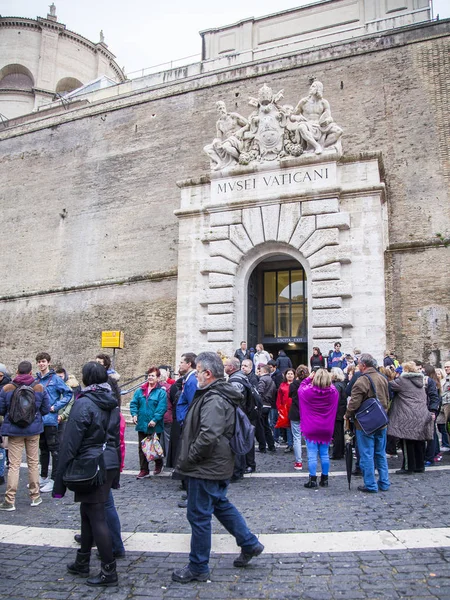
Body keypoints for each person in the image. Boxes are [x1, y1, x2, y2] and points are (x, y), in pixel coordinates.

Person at [172, 351, 263, 583]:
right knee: (220, 504)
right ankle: (249, 543)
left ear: (208, 373)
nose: (196, 377)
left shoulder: (213, 398)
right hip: (216, 464)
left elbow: (208, 435)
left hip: (206, 466)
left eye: (198, 372)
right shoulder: (216, 394)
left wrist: (190, 458)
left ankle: (198, 566)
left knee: (199, 516)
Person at [53, 361, 121, 587]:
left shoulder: (84, 404)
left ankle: (109, 572)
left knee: (97, 515)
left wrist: (59, 478)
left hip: (91, 465)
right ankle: (82, 561)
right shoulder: (112, 401)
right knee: (88, 511)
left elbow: (71, 442)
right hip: (108, 461)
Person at [0, 360, 50, 511]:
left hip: (14, 431)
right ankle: (35, 496)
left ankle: (10, 500)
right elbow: (46, 408)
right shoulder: (39, 387)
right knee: (33, 463)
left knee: (14, 465)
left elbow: (1, 409)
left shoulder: (7, 388)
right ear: (30, 372)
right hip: (33, 430)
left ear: (17, 372)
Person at [346, 354, 390, 493]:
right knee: (380, 453)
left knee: (366, 454)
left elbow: (354, 403)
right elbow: (387, 399)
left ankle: (370, 484)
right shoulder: (383, 378)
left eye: (359, 364)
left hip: (365, 424)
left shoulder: (362, 381)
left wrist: (347, 415)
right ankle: (384, 482)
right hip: (381, 421)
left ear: (363, 365)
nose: (358, 366)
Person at [35, 352, 72, 493]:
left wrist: (56, 407)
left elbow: (68, 393)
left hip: (50, 419)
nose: (41, 364)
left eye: (43, 361)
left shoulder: (55, 379)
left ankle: (54, 478)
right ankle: (43, 476)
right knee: (43, 449)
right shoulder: (36, 380)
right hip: (39, 420)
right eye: (39, 361)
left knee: (54, 450)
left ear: (48, 363)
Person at [388, 361, 433, 474]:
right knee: (418, 442)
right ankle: (419, 466)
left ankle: (408, 467)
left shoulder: (403, 381)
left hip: (407, 415)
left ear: (406, 370)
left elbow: (389, 385)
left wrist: (393, 374)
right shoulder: (420, 381)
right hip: (421, 414)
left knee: (406, 442)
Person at [298, 369, 338, 488]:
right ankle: (324, 479)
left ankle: (312, 479)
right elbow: (333, 388)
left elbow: (300, 388)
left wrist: (308, 378)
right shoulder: (333, 392)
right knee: (324, 453)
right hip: (326, 427)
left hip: (311, 426)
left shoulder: (308, 392)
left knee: (312, 454)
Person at [130, 366, 167, 479]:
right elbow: (134, 403)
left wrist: (155, 419)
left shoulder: (161, 392)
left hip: (154, 425)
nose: (150, 377)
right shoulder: (139, 391)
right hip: (142, 423)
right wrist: (134, 414)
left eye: (153, 376)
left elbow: (161, 407)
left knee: (154, 446)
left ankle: (158, 463)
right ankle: (144, 469)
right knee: (142, 447)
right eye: (149, 375)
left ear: (158, 378)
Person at [290, 80, 343, 154]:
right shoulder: (303, 102)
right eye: (311, 86)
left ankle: (322, 146)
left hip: (320, 126)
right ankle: (316, 146)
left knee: (339, 131)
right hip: (308, 124)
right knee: (301, 127)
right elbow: (291, 116)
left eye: (313, 86)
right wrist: (297, 118)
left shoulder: (324, 102)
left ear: (318, 89)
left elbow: (330, 117)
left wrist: (326, 121)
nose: (310, 88)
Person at [224, 357, 256, 479]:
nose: (224, 367)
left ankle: (237, 471)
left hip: (237, 414)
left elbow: (234, 399)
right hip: (242, 413)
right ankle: (240, 468)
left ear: (231, 367)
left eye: (225, 365)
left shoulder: (235, 381)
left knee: (236, 441)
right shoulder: (241, 377)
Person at [203, 101, 248, 171]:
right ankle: (219, 163)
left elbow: (249, 124)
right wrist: (216, 141)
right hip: (228, 140)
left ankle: (241, 158)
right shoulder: (218, 123)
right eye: (220, 109)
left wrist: (240, 131)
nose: (222, 110)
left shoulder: (233, 116)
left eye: (223, 108)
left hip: (238, 139)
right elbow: (219, 137)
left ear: (225, 108)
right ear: (217, 111)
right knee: (207, 148)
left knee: (225, 147)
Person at [288, 365, 309, 471]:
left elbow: (290, 395)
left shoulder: (294, 384)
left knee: (296, 438)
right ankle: (311, 460)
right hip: (307, 413)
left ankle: (299, 462)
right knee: (308, 438)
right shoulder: (310, 384)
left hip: (296, 412)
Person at [275, 369, 295, 453]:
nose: (290, 375)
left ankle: (294, 443)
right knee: (288, 427)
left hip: (295, 408)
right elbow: (279, 398)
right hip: (285, 408)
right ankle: (290, 444)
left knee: (295, 427)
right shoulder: (282, 385)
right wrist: (279, 408)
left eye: (291, 374)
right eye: (288, 374)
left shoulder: (297, 385)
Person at [257, 364, 276, 452]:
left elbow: (260, 391)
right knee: (266, 426)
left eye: (260, 371)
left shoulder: (262, 379)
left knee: (261, 427)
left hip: (263, 404)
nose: (259, 372)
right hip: (268, 405)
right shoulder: (272, 380)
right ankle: (271, 445)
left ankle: (263, 447)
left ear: (264, 371)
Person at [330, 367, 347, 460]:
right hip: (340, 410)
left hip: (336, 411)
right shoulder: (342, 384)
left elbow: (335, 400)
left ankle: (337, 453)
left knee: (337, 433)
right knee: (339, 432)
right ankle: (340, 451)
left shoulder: (336, 386)